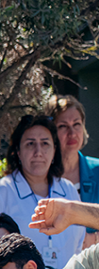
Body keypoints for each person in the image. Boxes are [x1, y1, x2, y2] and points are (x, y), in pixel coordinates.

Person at [0, 114, 82, 269]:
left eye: (45, 143)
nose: (38, 152)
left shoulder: (69, 191)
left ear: (54, 150)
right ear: (18, 151)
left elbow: (78, 246)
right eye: (30, 144)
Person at [49, 95, 99, 248]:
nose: (72, 133)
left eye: (76, 124)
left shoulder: (97, 170)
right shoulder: (40, 176)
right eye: (63, 126)